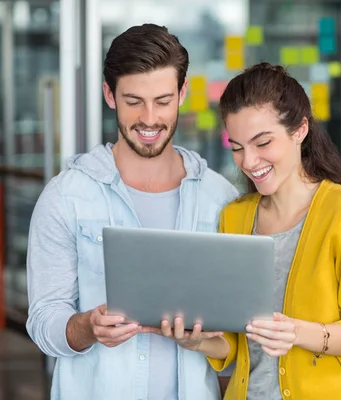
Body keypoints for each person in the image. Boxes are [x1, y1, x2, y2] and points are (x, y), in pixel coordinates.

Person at [26, 24, 238, 399]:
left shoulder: (219, 197)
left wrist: (208, 338)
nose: (149, 119)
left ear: (182, 93)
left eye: (162, 100)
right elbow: (44, 322)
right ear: (109, 95)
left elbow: (239, 336)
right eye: (133, 100)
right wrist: (86, 327)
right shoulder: (65, 197)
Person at [163, 62, 341, 399]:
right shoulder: (234, 218)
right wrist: (198, 341)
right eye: (237, 147)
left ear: (300, 130)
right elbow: (236, 344)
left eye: (262, 143)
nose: (249, 161)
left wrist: (297, 333)